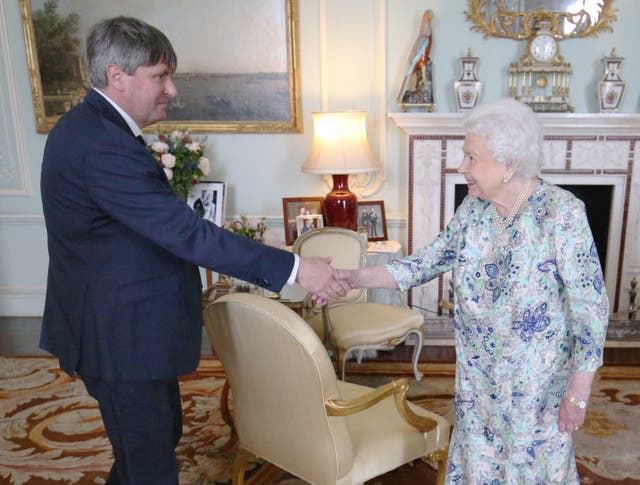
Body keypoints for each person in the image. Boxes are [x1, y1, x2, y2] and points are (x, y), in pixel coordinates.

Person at [40, 16, 348, 485]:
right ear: (117, 76)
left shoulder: (93, 128)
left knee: (152, 443)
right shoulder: (101, 144)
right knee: (149, 464)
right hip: (118, 337)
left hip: (126, 330)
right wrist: (296, 268)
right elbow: (188, 234)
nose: (172, 90)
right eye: (160, 76)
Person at [335, 98, 609, 484]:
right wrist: (354, 278)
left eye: (471, 158)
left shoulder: (561, 213)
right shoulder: (473, 210)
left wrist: (578, 392)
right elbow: (425, 262)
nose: (461, 167)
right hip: (478, 379)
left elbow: (591, 309)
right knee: (480, 464)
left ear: (509, 163)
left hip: (536, 385)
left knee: (532, 469)